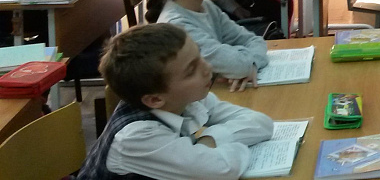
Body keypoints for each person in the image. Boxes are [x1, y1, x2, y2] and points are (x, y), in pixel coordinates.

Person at [77, 23, 273, 180]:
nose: (207, 68)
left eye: (200, 56)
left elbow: (261, 123)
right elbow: (223, 170)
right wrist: (216, 146)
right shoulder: (135, 137)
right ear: (155, 99)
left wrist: (209, 140)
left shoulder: (185, 97)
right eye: (191, 70)